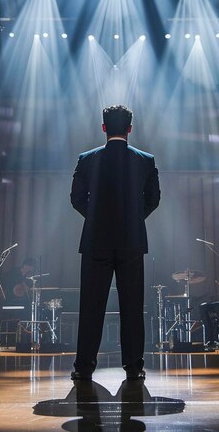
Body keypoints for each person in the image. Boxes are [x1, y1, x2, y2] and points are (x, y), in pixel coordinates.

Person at [70, 105, 160, 381]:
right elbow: (153, 200)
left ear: (103, 128)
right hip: (132, 241)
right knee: (132, 306)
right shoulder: (145, 160)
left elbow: (76, 199)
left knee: (91, 306)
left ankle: (84, 367)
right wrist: (132, 219)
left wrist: (96, 217)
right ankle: (134, 367)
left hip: (96, 241)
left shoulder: (87, 159)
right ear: (130, 129)